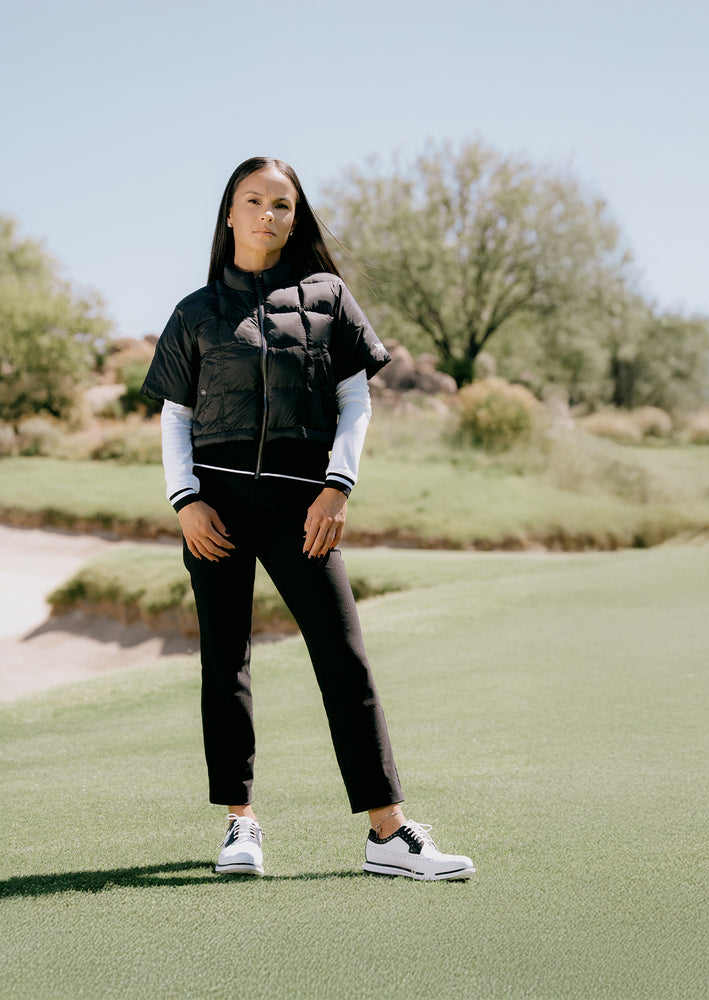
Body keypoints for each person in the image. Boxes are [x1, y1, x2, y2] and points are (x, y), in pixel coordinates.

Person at [140, 156, 474, 881]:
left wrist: (337, 485)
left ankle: (388, 833)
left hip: (305, 505)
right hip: (216, 506)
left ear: (296, 218)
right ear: (230, 213)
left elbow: (357, 402)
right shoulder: (195, 312)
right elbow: (175, 417)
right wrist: (185, 500)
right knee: (226, 660)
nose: (267, 214)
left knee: (343, 657)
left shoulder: (329, 296)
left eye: (282, 204)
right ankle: (240, 822)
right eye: (253, 201)